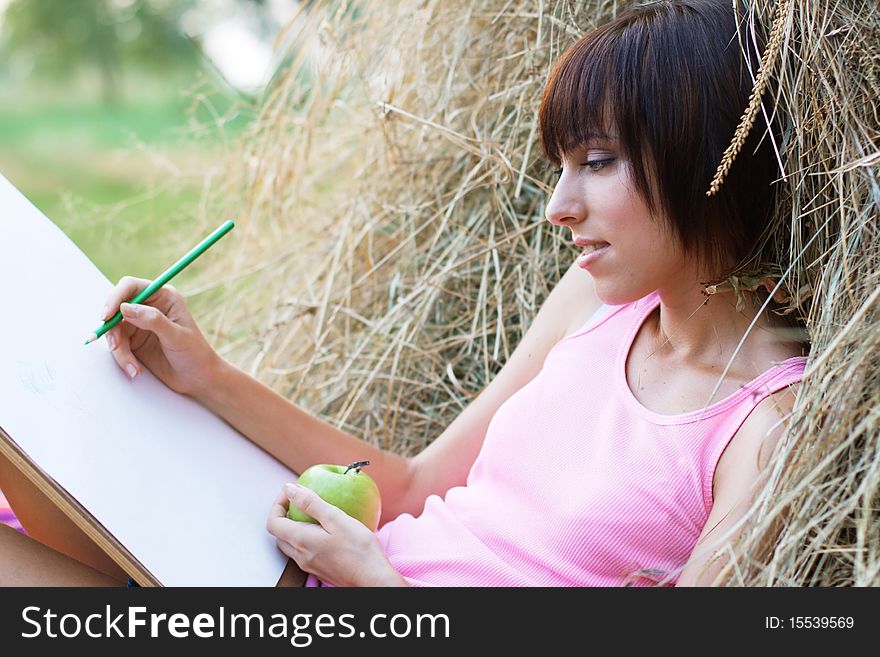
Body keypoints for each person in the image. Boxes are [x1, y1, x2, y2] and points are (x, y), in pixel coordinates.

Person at [0, 0, 809, 587]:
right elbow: (415, 487)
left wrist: (380, 594)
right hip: (297, 577)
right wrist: (204, 371)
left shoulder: (762, 424)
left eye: (597, 161)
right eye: (561, 166)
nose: (560, 206)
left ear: (708, 159)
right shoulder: (597, 302)